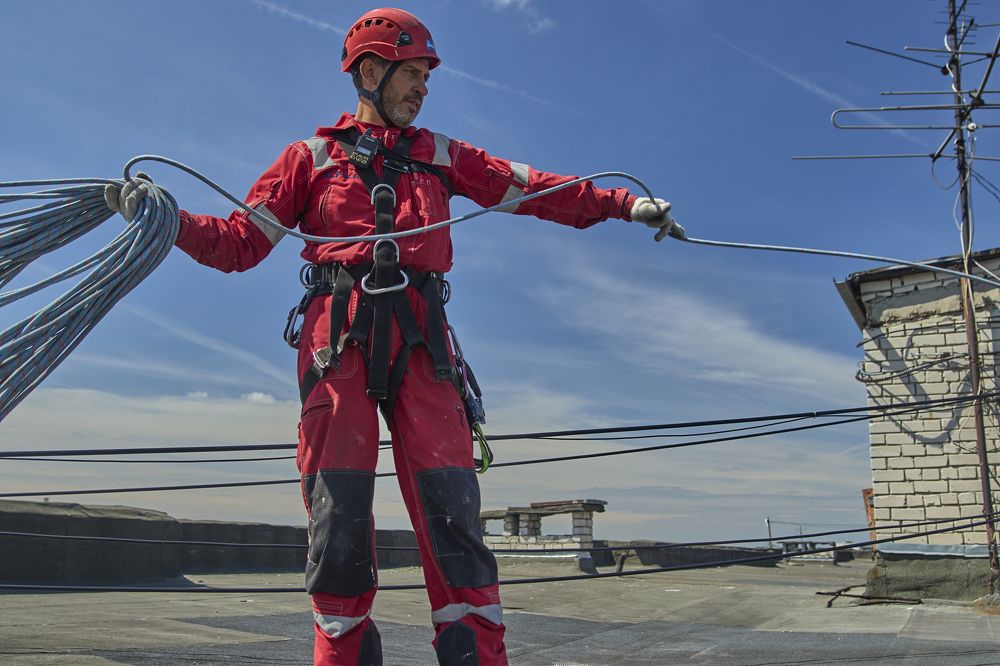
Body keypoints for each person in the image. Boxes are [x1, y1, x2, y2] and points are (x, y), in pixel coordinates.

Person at [106, 8, 681, 665]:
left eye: (426, 78)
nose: (423, 89)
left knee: (453, 510)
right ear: (370, 71)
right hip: (337, 337)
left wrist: (622, 205)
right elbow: (239, 244)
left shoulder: (443, 156)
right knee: (339, 513)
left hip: (424, 339)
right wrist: (165, 219)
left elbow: (533, 189)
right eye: (412, 74)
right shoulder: (309, 159)